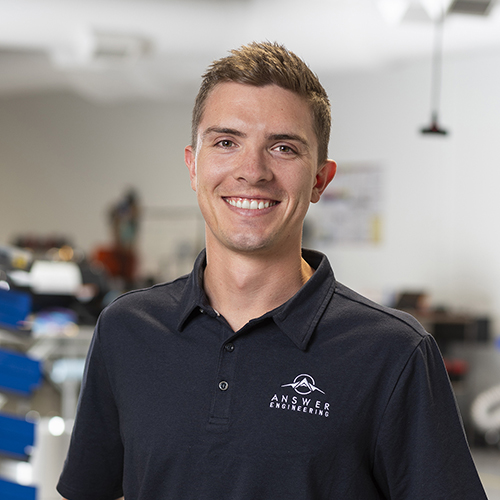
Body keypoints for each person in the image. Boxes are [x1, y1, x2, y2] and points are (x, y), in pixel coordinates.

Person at [57, 42, 487, 499]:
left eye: (283, 148)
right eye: (226, 142)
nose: (253, 171)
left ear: (320, 179)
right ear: (193, 166)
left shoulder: (394, 353)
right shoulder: (125, 330)